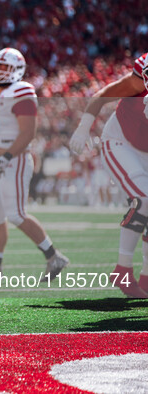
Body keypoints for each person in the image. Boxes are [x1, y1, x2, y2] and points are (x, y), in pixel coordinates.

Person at [0, 48, 70, 285]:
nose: (1, 71)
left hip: (13, 159)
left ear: (18, 70)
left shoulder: (22, 90)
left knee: (16, 214)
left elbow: (28, 132)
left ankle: (54, 256)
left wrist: (6, 158)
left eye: (7, 67)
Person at [69, 53, 148, 298]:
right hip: (121, 142)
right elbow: (102, 95)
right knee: (144, 200)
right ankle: (123, 269)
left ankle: (146, 277)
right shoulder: (138, 81)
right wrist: (83, 129)